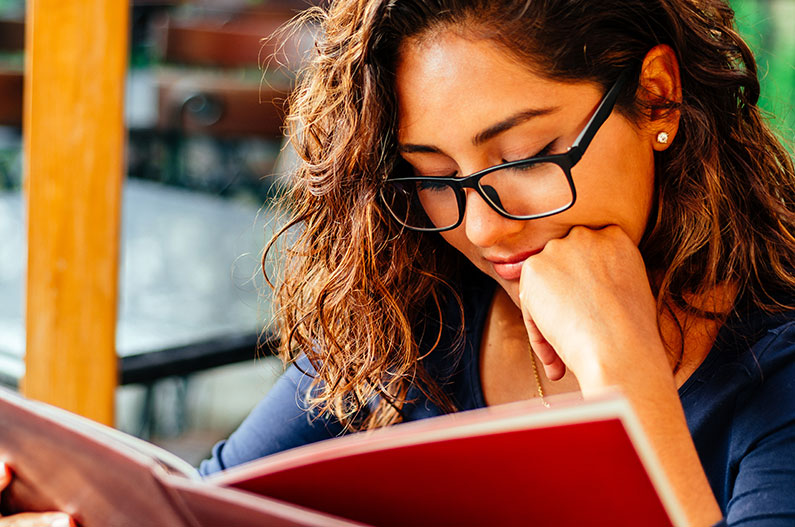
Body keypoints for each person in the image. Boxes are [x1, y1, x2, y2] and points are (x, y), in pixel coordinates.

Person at [3, 0, 794, 526]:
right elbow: (197, 507)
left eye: (523, 155)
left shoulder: (777, 360)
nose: (482, 228)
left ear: (655, 97)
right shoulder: (414, 319)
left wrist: (623, 368)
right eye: (434, 175)